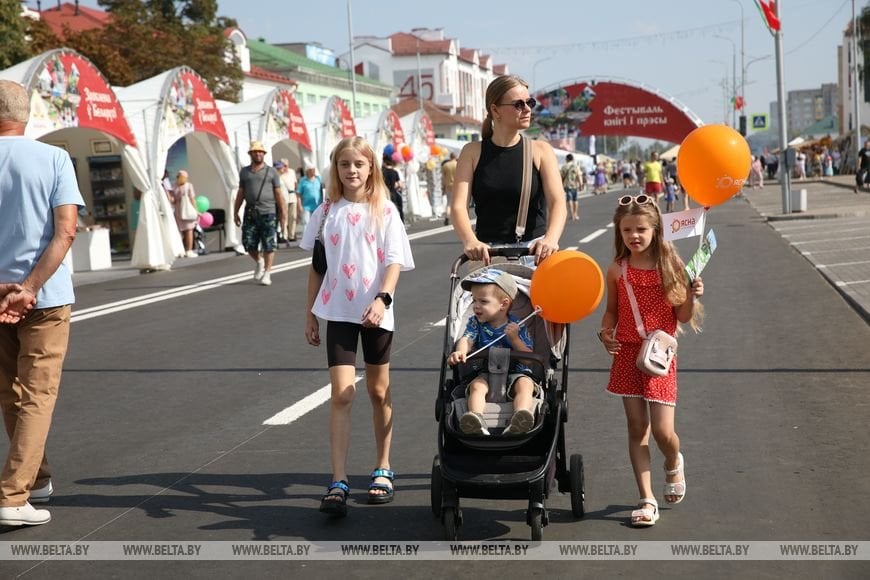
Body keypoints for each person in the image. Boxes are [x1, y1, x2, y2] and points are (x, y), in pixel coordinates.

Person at [301, 136, 415, 517]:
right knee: (342, 394)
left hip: (376, 313)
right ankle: (338, 480)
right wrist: (310, 312)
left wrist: (383, 299)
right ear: (336, 169)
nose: (352, 170)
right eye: (344, 164)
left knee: (379, 392)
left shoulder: (384, 210)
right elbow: (318, 265)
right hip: (339, 312)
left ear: (371, 169)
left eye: (359, 164)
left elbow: (395, 262)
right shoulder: (325, 212)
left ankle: (383, 467)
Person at [0, 80, 84, 527]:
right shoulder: (53, 158)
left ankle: (36, 478)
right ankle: (12, 495)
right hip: (44, 296)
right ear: (27, 115)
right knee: (37, 396)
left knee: (9, 394)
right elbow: (66, 231)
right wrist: (30, 285)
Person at [597, 193, 704, 527]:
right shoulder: (617, 268)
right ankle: (646, 499)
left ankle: (673, 460)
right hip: (627, 353)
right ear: (619, 232)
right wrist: (606, 333)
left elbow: (683, 316)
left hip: (659, 355)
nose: (634, 236)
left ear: (656, 230)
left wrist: (691, 293)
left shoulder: (671, 267)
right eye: (627, 230)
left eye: (641, 229)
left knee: (662, 431)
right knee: (636, 428)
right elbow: (611, 311)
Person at [451, 75, 566, 265]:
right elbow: (458, 206)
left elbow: (558, 202)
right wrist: (470, 240)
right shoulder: (472, 152)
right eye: (519, 104)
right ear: (495, 110)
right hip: (489, 254)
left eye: (530, 102)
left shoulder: (541, 150)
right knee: (477, 295)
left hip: (534, 252)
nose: (527, 109)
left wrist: (551, 239)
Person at [447, 268, 540, 436]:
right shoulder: (476, 323)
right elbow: (467, 339)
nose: (476, 306)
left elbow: (528, 359)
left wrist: (515, 340)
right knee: (477, 386)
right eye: (474, 300)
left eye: (483, 301)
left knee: (525, 385)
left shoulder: (517, 325)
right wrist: (460, 351)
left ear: (503, 304)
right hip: (485, 372)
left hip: (515, 372)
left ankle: (520, 417)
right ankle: (475, 419)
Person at [233, 141, 285, 286]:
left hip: (268, 212)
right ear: (250, 154)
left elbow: (278, 193)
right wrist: (235, 212)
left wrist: (282, 214)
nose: (258, 154)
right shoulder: (244, 172)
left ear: (264, 154)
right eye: (255, 152)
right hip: (250, 212)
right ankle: (259, 260)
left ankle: (267, 273)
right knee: (248, 243)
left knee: (269, 244)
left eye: (260, 152)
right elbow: (241, 192)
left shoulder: (272, 172)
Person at [169, 170, 199, 258]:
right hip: (184, 210)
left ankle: (187, 250)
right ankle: (185, 250)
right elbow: (192, 199)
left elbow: (192, 199)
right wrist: (195, 210)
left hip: (182, 210)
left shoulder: (177, 186)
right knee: (185, 231)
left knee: (187, 230)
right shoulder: (178, 186)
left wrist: (196, 210)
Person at [275, 159, 299, 243]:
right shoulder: (279, 175)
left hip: (292, 196)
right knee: (284, 216)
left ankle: (291, 235)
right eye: (283, 166)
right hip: (284, 197)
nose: (285, 167)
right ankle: (284, 235)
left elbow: (295, 183)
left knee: (293, 216)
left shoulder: (291, 172)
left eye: (286, 165)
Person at [381, 154, 405, 225]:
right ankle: (401, 224)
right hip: (394, 193)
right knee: (399, 209)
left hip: (385, 194)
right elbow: (400, 184)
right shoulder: (395, 172)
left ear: (384, 162)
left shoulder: (382, 172)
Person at [560, 153, 582, 220]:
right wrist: (581, 184)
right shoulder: (576, 166)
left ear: (567, 159)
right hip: (575, 185)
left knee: (569, 199)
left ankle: (571, 215)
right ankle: (575, 214)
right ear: (572, 159)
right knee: (575, 200)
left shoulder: (564, 167)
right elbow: (579, 176)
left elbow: (561, 177)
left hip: (567, 185)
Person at [440, 152, 457, 226]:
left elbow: (443, 178)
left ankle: (447, 216)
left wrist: (443, 187)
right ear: (455, 157)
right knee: (458, 202)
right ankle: (457, 218)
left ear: (450, 157)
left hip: (448, 186)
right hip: (457, 186)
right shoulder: (458, 164)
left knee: (449, 203)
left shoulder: (446, 165)